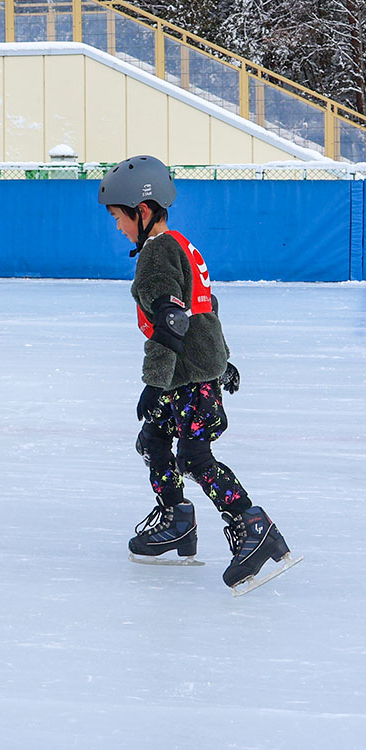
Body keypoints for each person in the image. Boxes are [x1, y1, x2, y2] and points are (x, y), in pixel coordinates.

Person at [98, 154, 296, 590]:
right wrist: (223, 361)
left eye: (118, 217)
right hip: (194, 372)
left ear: (142, 211)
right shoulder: (183, 245)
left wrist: (153, 383)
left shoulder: (155, 254)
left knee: (194, 456)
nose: (118, 227)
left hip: (183, 376)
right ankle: (178, 521)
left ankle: (253, 525)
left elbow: (172, 319)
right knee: (153, 439)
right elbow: (205, 309)